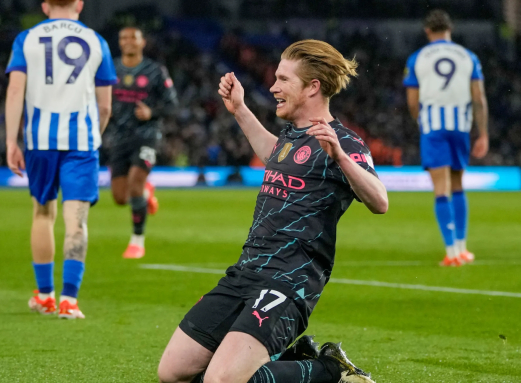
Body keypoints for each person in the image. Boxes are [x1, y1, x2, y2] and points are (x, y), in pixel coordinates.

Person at [157, 39, 388, 383]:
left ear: (313, 87)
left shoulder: (344, 142)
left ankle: (330, 370)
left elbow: (379, 201)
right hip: (245, 271)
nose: (273, 87)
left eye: (283, 80)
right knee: (173, 372)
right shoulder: (293, 135)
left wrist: (340, 157)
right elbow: (275, 156)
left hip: (289, 281)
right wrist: (239, 110)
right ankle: (297, 358)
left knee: (221, 381)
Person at [4, 0, 117, 319]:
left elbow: (15, 92)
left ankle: (44, 296)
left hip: (39, 140)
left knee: (42, 213)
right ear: (80, 4)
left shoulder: (27, 39)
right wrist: (93, 134)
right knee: (76, 220)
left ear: (44, 5)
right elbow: (105, 105)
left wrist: (12, 141)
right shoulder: (97, 41)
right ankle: (69, 300)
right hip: (81, 141)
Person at [403, 10, 488, 267]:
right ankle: (463, 248)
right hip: (460, 125)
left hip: (433, 126)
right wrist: (482, 133)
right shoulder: (467, 56)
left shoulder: (417, 58)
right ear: (449, 30)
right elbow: (479, 98)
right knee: (458, 183)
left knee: (441, 188)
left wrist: (421, 122)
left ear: (428, 31)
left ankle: (450, 252)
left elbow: (412, 101)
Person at [107, 26, 178, 259]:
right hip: (118, 137)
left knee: (134, 184)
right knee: (120, 198)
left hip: (146, 135)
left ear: (142, 42)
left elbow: (172, 104)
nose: (127, 41)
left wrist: (151, 113)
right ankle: (146, 194)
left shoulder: (155, 70)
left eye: (133, 38)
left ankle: (137, 241)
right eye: (123, 37)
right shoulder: (110, 68)